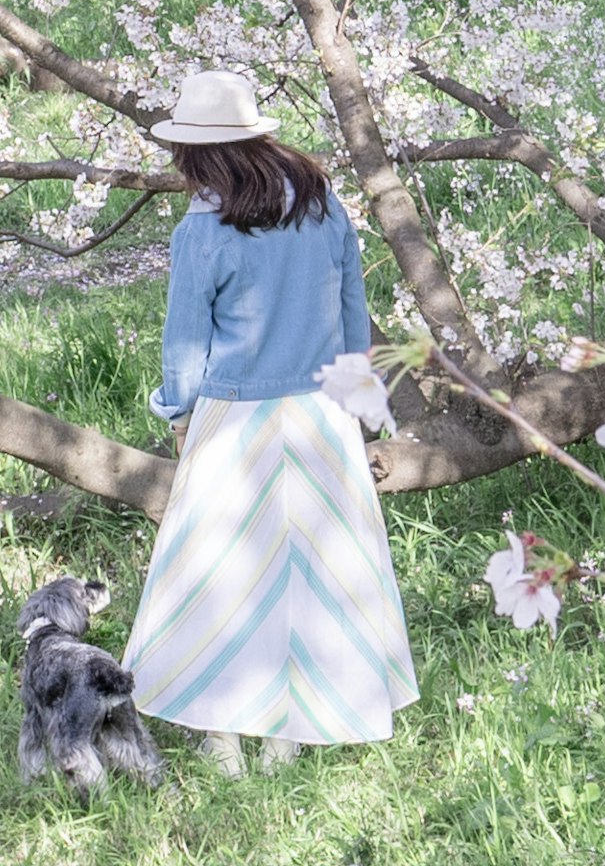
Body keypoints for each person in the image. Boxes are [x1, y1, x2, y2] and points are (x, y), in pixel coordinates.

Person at [122, 70, 418, 772]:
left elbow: (185, 342)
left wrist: (176, 410)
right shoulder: (323, 208)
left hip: (234, 417)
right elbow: (353, 313)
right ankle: (292, 730)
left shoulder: (203, 231)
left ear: (202, 155)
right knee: (317, 569)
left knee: (216, 571)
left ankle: (223, 734)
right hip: (319, 411)